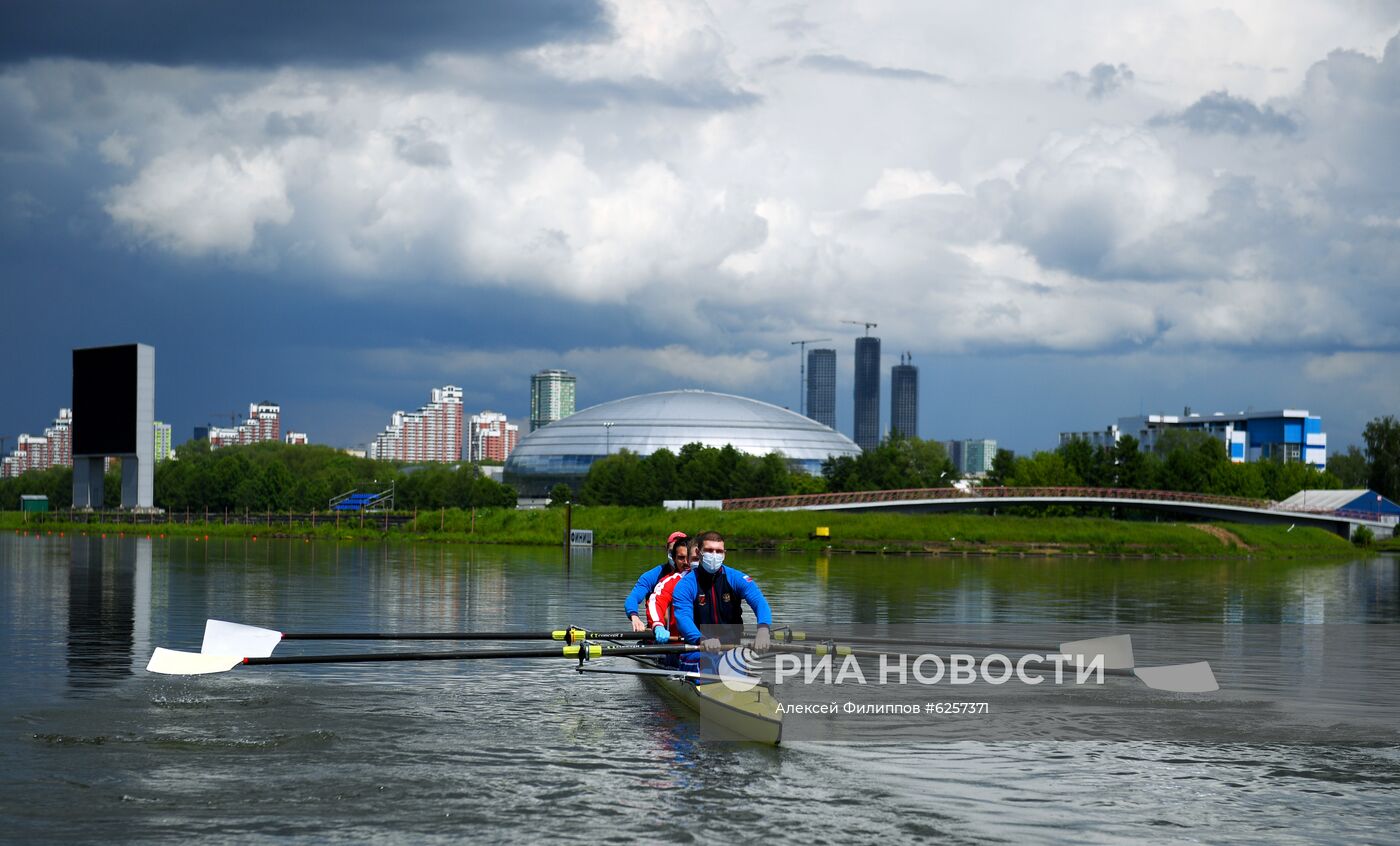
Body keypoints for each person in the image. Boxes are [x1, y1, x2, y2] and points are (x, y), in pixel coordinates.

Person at [671, 531, 773, 677]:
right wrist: (701, 639)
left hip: (731, 647)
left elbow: (760, 602)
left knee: (739, 665)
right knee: (706, 663)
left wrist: (763, 629)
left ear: (724, 554)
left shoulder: (736, 578)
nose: (714, 555)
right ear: (699, 553)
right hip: (698, 649)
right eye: (709, 550)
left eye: (718, 551)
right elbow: (683, 618)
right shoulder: (686, 585)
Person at [624, 531, 687, 632]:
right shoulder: (651, 576)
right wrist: (634, 616)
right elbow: (633, 598)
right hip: (657, 630)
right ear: (667, 550)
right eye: (673, 552)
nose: (685, 561)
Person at [644, 536, 692, 644]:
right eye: (681, 558)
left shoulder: (721, 578)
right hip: (678, 646)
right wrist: (657, 624)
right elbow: (655, 602)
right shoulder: (670, 581)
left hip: (711, 642)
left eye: (689, 558)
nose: (686, 562)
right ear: (674, 559)